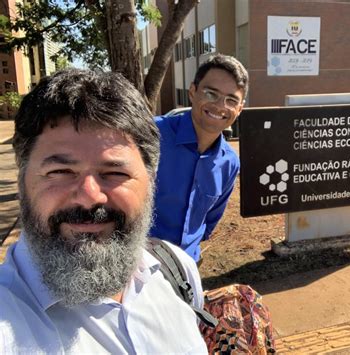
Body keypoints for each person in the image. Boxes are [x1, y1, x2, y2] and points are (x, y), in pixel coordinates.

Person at [0, 69, 208, 353]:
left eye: (114, 172)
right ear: (24, 181)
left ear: (151, 180)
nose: (89, 197)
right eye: (60, 171)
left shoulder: (177, 272)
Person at [150, 54, 249, 262]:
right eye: (211, 94)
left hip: (188, 267)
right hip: (138, 269)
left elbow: (210, 219)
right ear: (193, 92)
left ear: (239, 109)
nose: (221, 106)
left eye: (231, 100)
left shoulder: (229, 162)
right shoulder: (151, 135)